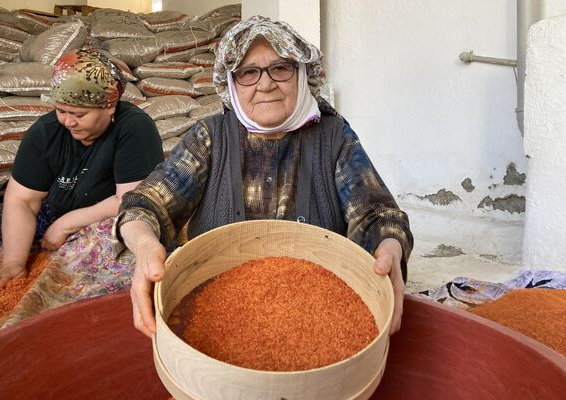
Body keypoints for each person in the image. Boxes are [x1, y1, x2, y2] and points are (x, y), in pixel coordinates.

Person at [113, 16, 413, 338]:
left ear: (301, 74)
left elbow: (376, 214)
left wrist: (390, 246)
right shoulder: (211, 138)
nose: (265, 84)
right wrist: (144, 246)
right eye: (248, 73)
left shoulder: (333, 137)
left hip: (314, 313)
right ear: (231, 84)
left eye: (280, 68)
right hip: (218, 313)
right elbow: (144, 204)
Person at [0, 49, 163, 287]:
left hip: (112, 220)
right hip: (54, 211)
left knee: (117, 261)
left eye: (79, 114)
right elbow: (22, 201)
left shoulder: (134, 128)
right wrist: (14, 263)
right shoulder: (46, 131)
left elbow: (130, 200)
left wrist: (66, 224)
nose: (68, 122)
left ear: (109, 106)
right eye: (61, 111)